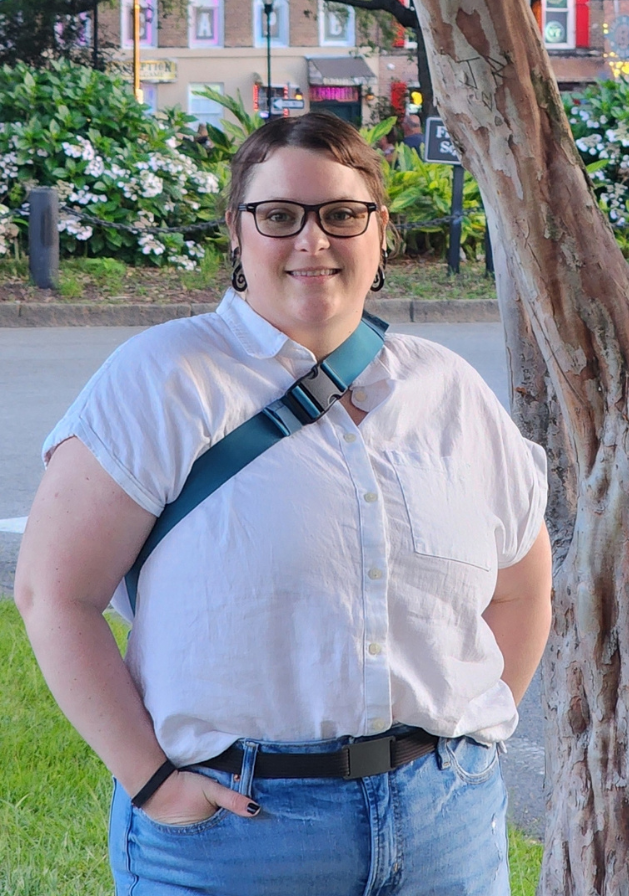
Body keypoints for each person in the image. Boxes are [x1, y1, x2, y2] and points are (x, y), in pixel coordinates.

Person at [14, 112, 552, 896]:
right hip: (238, 836)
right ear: (238, 232)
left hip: (445, 829)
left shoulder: (448, 391)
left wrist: (469, 740)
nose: (312, 240)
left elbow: (522, 586)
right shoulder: (164, 379)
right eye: (280, 216)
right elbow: (52, 594)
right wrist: (154, 781)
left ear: (380, 233)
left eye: (341, 214)